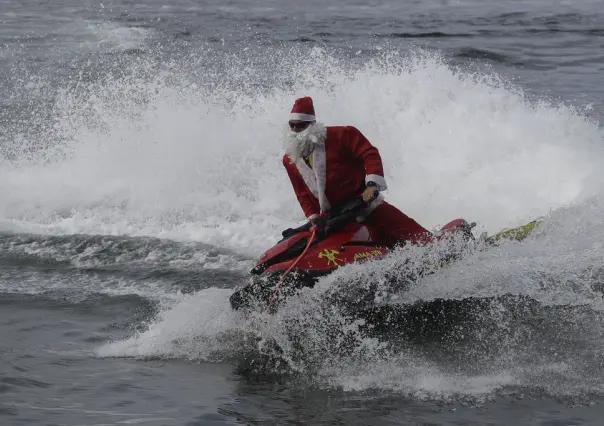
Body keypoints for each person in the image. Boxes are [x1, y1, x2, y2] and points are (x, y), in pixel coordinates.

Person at [282, 96, 434, 247]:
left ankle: (433, 245)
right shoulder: (290, 159)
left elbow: (369, 154)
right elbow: (301, 193)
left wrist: (372, 185)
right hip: (333, 219)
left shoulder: (342, 135)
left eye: (300, 125)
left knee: (420, 238)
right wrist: (313, 217)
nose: (295, 130)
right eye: (292, 125)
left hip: (364, 204)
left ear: (312, 124)